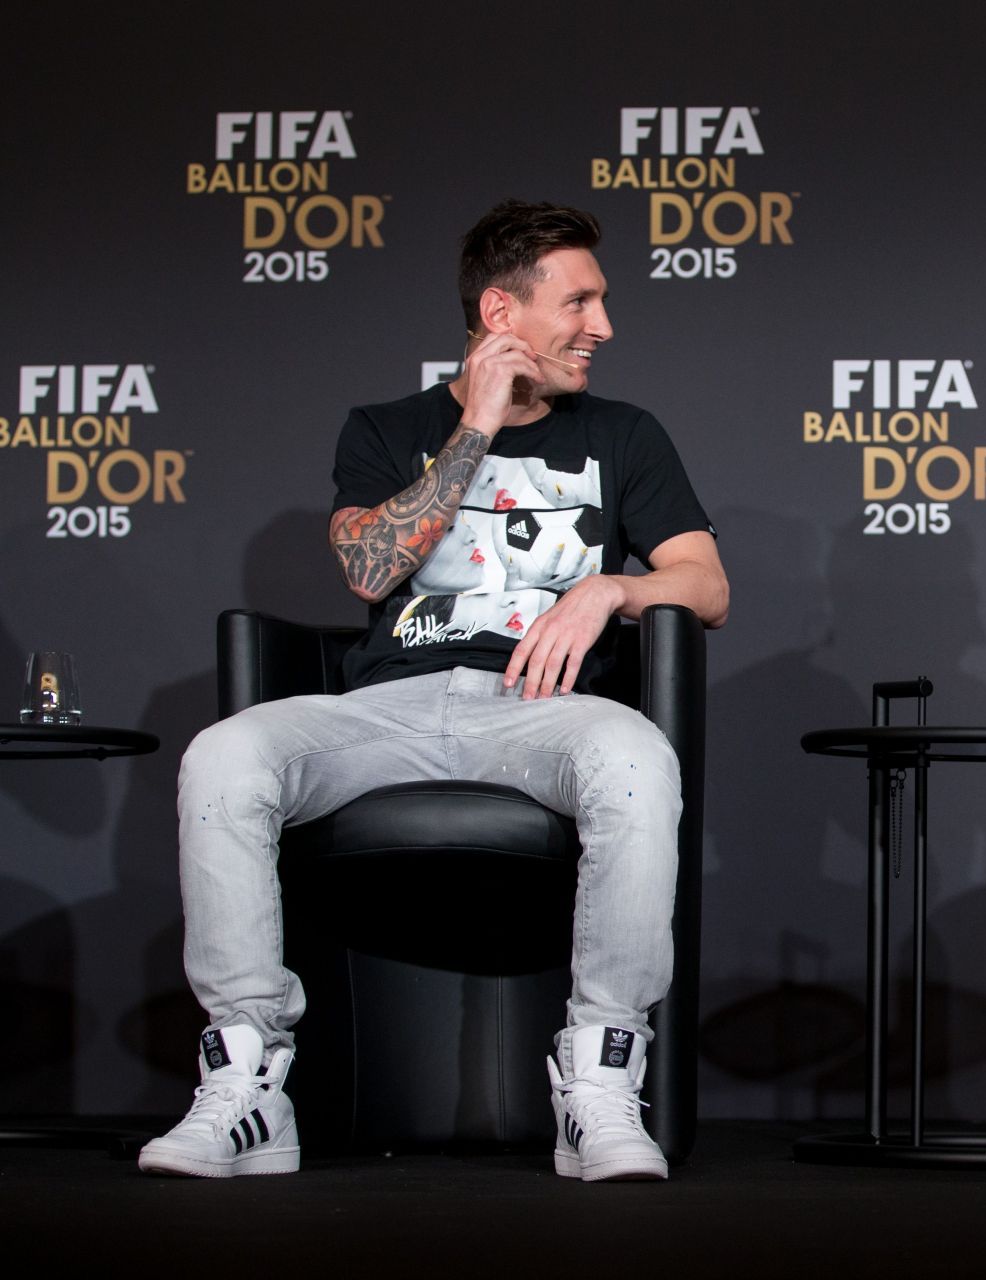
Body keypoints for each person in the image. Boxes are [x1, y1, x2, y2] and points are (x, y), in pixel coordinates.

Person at [139, 200, 728, 1182]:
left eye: (602, 301)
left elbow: (706, 585)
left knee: (634, 754)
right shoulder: (382, 428)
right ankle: (246, 1085)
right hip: (388, 709)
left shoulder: (625, 435)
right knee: (224, 755)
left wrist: (612, 586)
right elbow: (369, 572)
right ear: (502, 312)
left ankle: (599, 1086)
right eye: (579, 301)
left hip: (543, 712)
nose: (603, 326)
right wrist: (478, 425)